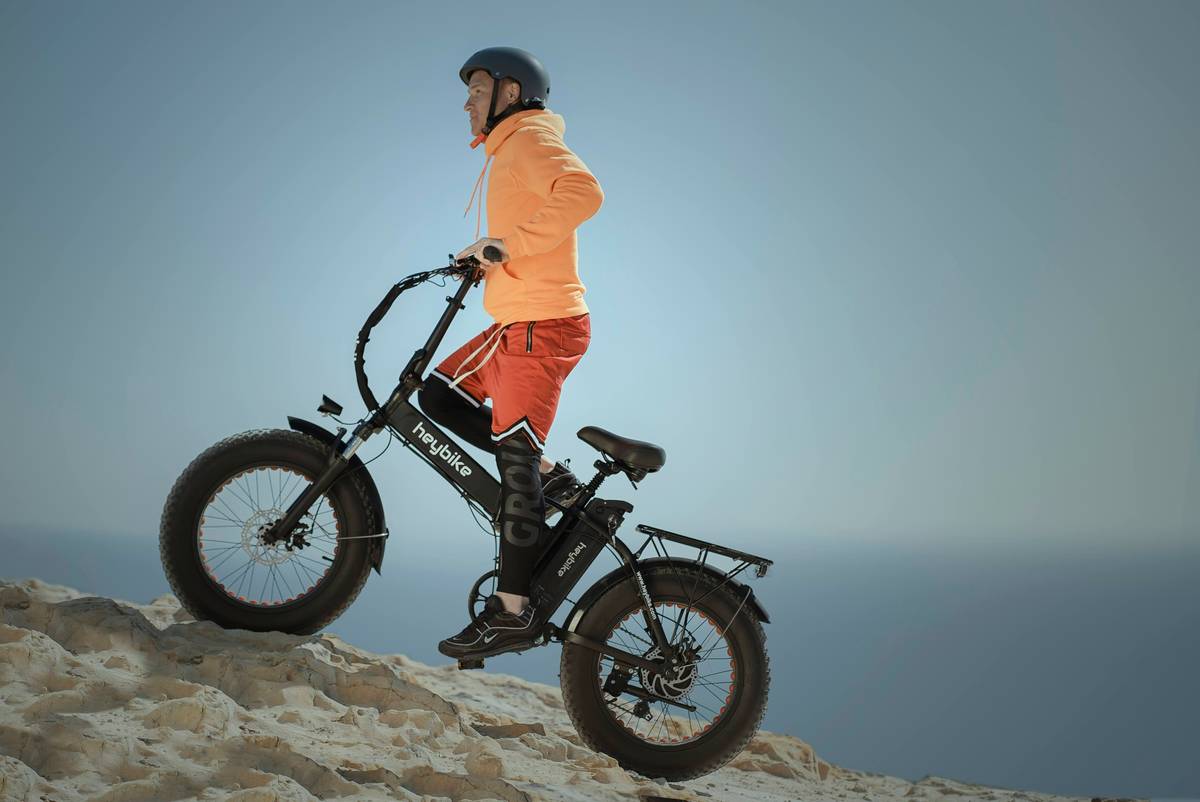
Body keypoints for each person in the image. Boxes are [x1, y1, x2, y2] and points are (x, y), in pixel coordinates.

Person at [417, 46, 604, 661]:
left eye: (477, 89)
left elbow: (583, 192)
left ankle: (513, 612)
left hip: (541, 327)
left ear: (510, 92)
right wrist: (484, 260)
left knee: (514, 462)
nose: (466, 102)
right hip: (514, 324)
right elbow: (517, 236)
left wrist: (508, 245)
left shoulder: (526, 140)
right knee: (435, 392)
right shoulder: (507, 152)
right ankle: (554, 482)